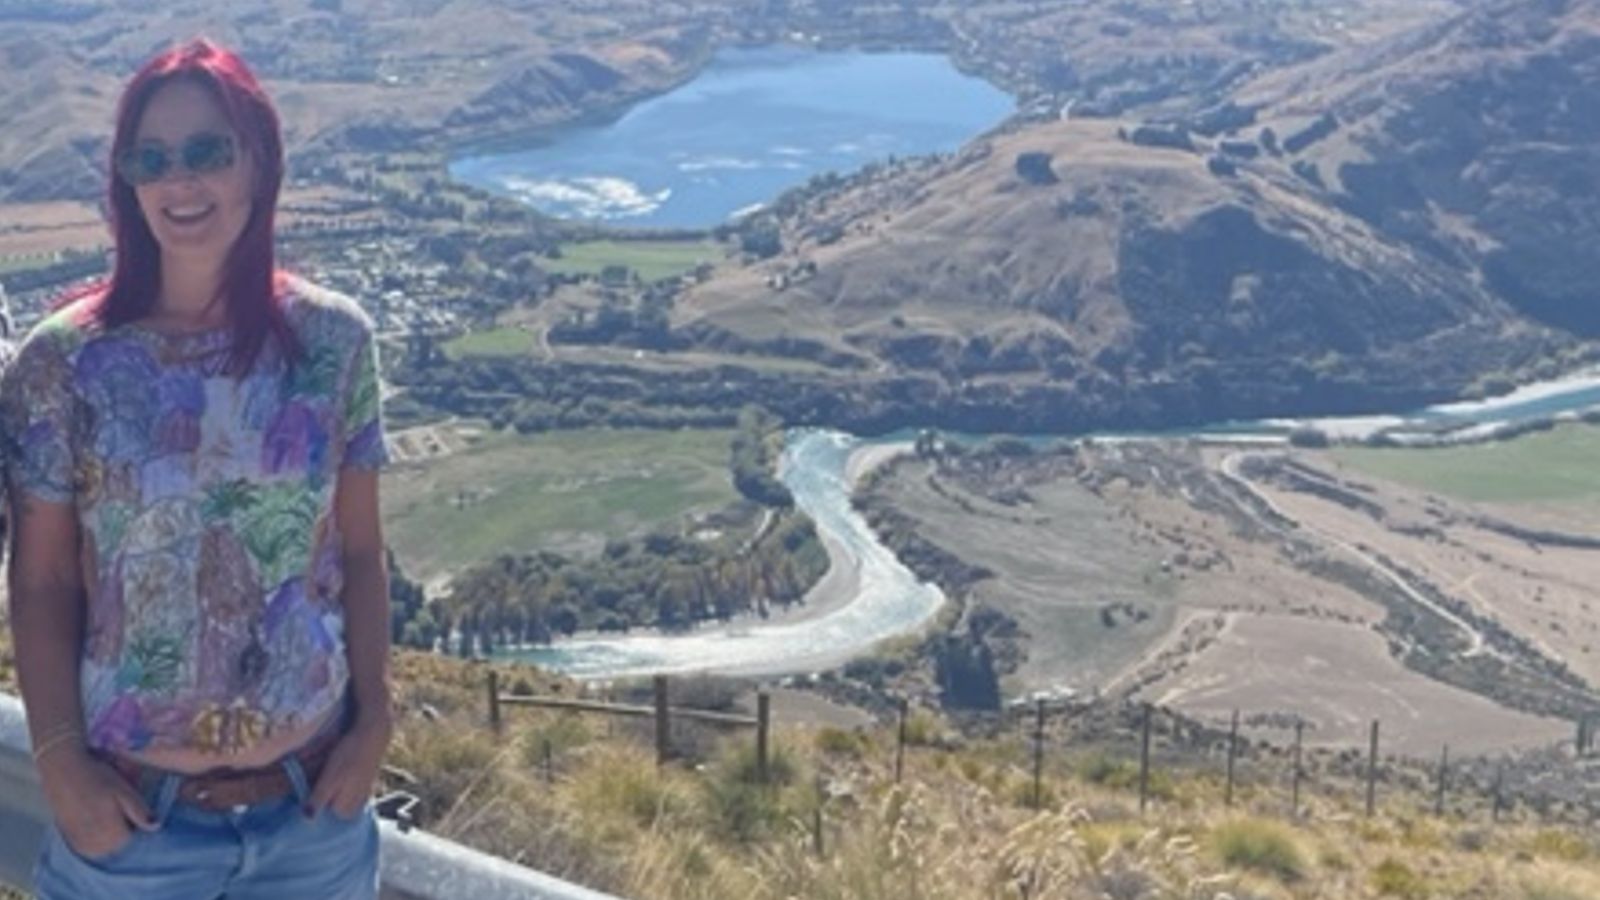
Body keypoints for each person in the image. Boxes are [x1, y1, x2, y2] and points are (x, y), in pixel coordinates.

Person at [2, 38, 393, 899]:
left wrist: (375, 730)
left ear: (259, 161)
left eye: (207, 151)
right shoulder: (61, 363)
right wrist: (62, 768)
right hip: (133, 826)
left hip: (312, 819)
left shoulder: (335, 342)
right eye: (153, 158)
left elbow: (360, 555)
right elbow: (40, 581)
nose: (181, 180)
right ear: (127, 182)